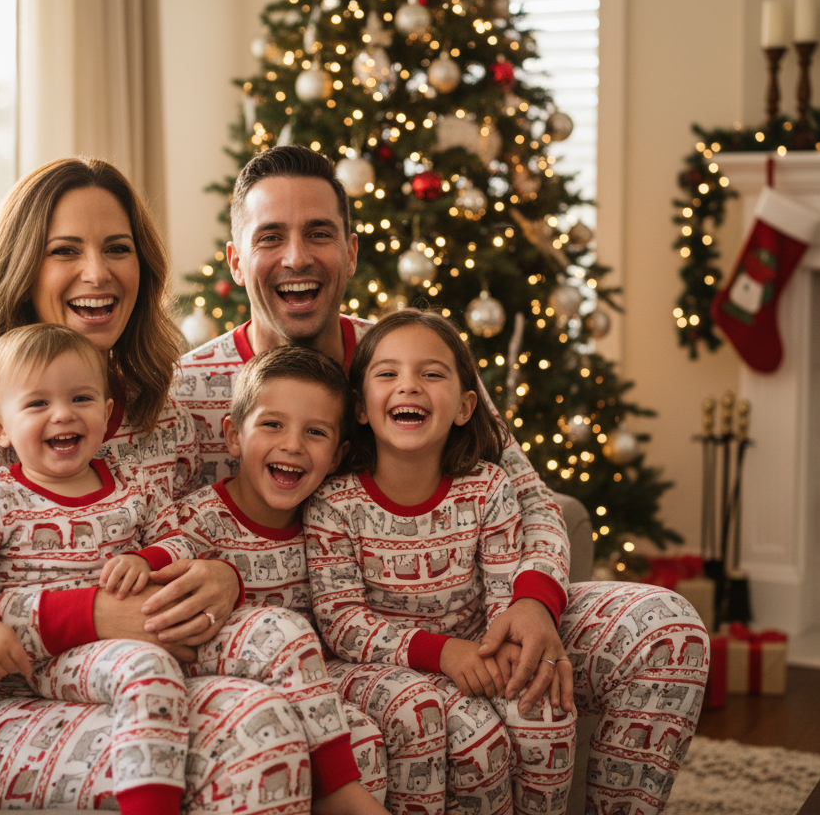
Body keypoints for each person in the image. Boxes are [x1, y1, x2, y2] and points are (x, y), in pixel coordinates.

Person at [177, 145, 710, 814]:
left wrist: (535, 600)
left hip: (475, 613)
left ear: (351, 250)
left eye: (319, 233)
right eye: (270, 238)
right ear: (235, 261)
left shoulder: (412, 356)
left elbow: (529, 497)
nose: (296, 258)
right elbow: (151, 537)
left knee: (668, 629)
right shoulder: (189, 393)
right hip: (320, 651)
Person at [0, 156, 316, 812]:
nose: (98, 273)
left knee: (269, 720)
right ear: (23, 268)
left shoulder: (162, 411)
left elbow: (204, 532)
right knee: (245, 736)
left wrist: (223, 578)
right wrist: (91, 614)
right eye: (65, 251)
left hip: (145, 680)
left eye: (117, 249)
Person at [0, 322, 382, 814]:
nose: (62, 414)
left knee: (285, 631)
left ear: (106, 413)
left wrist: (153, 560)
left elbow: (178, 537)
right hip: (55, 657)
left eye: (80, 399)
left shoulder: (130, 490)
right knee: (150, 669)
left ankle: (338, 791)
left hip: (150, 624)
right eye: (37, 405)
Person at [304, 309, 577, 815]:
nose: (409, 387)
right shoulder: (334, 505)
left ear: (466, 405)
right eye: (388, 374)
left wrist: (504, 649)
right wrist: (443, 653)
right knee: (476, 738)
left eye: (431, 373)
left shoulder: (488, 489)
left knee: (545, 713)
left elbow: (503, 599)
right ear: (360, 408)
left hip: (476, 652)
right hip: (371, 666)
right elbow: (342, 625)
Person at [157, 345, 449, 815]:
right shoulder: (194, 524)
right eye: (272, 424)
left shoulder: (328, 520)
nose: (292, 445)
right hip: (232, 683)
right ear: (233, 436)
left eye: (315, 433)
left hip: (318, 681)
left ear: (336, 456)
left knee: (401, 718)